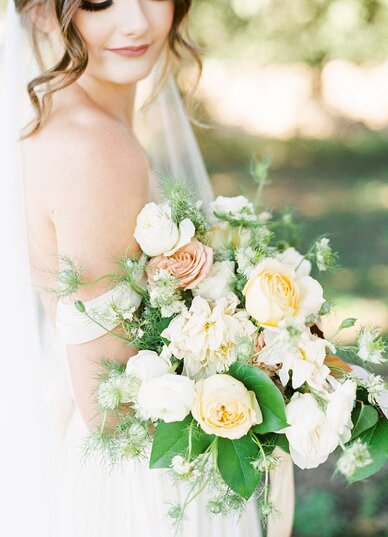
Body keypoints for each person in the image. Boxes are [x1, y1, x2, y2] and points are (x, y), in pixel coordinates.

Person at [0, 1, 295, 535]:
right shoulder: (95, 148)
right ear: (43, 11)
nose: (136, 21)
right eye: (98, 1)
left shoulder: (68, 127)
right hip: (150, 493)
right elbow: (110, 409)